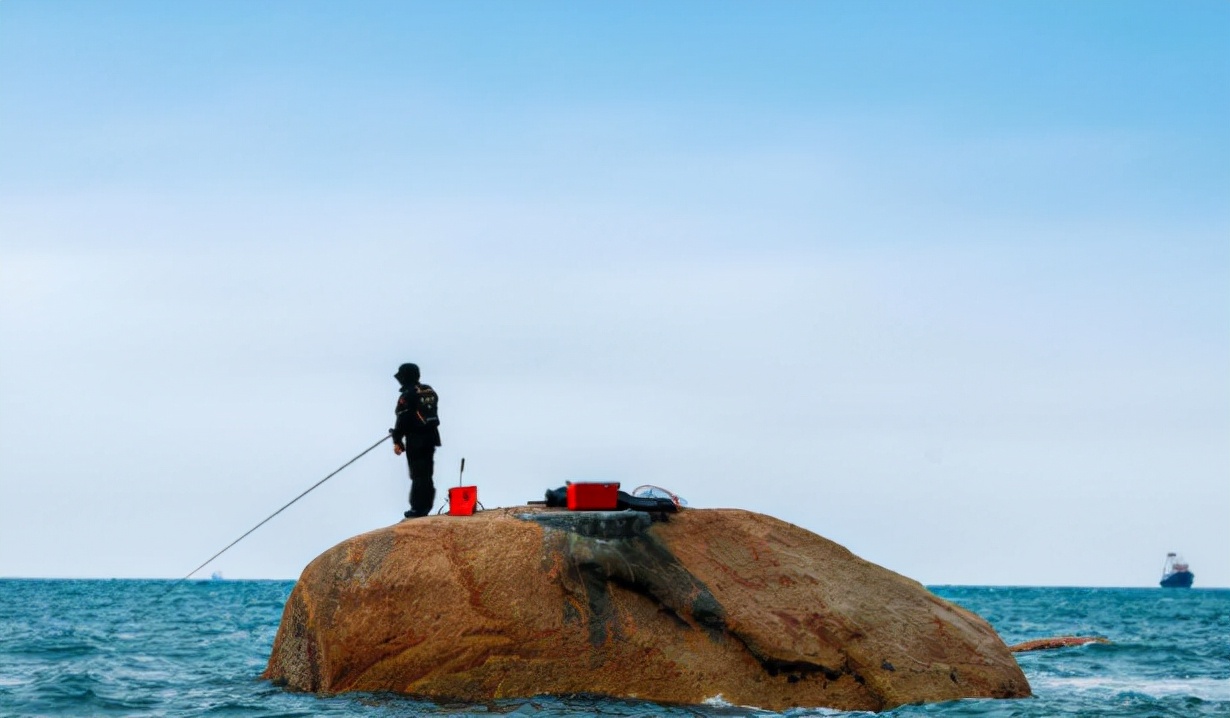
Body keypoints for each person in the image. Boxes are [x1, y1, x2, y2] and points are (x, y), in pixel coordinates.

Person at [390, 363, 441, 518]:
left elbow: (403, 419)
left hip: (416, 441)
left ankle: (417, 509)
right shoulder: (428, 390)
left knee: (418, 475)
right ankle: (425, 506)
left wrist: (397, 439)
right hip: (431, 438)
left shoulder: (407, 395)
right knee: (427, 474)